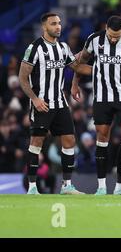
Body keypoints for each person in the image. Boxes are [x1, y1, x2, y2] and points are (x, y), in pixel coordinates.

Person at [18, 12, 91, 195]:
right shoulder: (34, 48)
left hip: (60, 103)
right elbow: (22, 77)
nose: (58, 27)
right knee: (36, 143)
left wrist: (103, 69)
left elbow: (77, 67)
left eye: (59, 23)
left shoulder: (63, 48)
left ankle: (67, 185)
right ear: (45, 27)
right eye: (53, 24)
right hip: (42, 102)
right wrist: (35, 99)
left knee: (69, 141)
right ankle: (33, 187)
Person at [72, 15, 121, 195]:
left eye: (117, 36)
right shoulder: (94, 39)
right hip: (101, 98)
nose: (113, 39)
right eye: (110, 35)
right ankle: (101, 186)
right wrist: (74, 83)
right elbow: (82, 61)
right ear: (106, 28)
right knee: (102, 138)